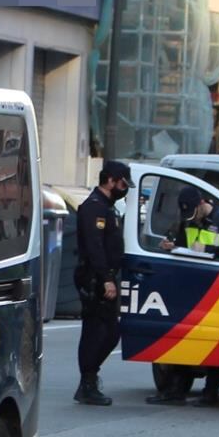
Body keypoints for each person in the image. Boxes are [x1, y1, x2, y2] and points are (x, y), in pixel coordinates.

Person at [147, 190, 219, 405]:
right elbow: (184, 247)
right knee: (183, 336)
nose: (193, 217)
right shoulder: (188, 220)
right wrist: (172, 246)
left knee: (213, 339)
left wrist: (209, 249)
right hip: (192, 283)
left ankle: (211, 391)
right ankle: (176, 389)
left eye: (194, 212)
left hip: (218, 285)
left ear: (202, 203)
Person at [75, 160, 133, 406]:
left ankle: (89, 378)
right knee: (97, 332)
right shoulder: (93, 208)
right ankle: (87, 382)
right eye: (122, 183)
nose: (124, 188)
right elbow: (95, 247)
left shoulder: (109, 208)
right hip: (95, 278)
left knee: (109, 332)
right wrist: (106, 279)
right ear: (110, 180)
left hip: (105, 277)